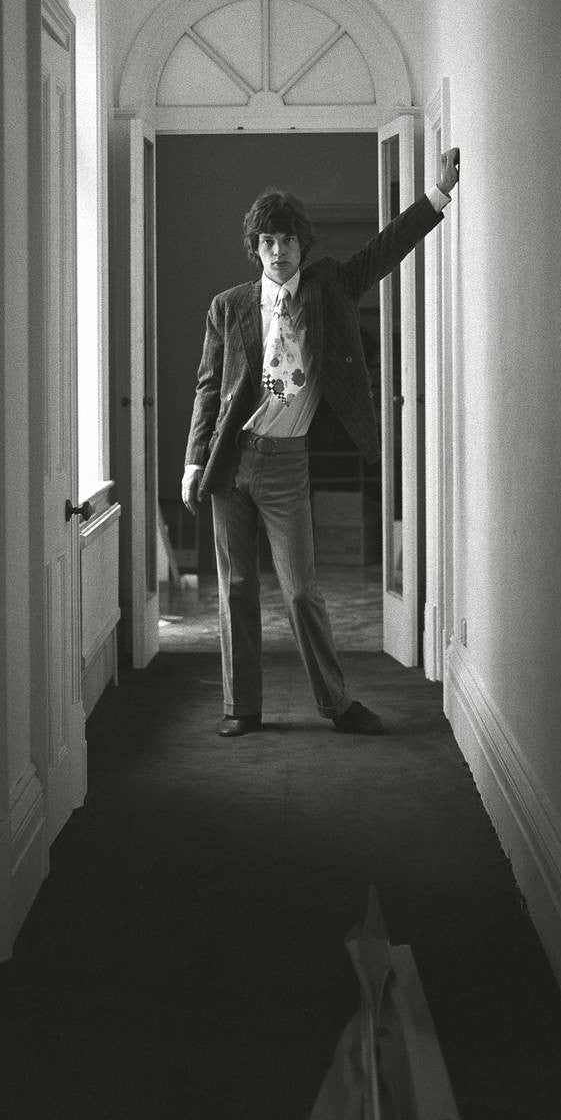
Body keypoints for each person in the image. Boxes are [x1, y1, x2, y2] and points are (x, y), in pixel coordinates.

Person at [182, 148, 461, 737]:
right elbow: (209, 388)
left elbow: (383, 252)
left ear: (301, 245)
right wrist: (192, 461)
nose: (278, 251)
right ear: (254, 247)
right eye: (267, 241)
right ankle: (242, 708)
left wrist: (437, 195)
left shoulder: (329, 286)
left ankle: (336, 704)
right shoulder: (228, 308)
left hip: (288, 466)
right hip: (230, 465)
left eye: (287, 240)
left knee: (302, 590)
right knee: (234, 592)